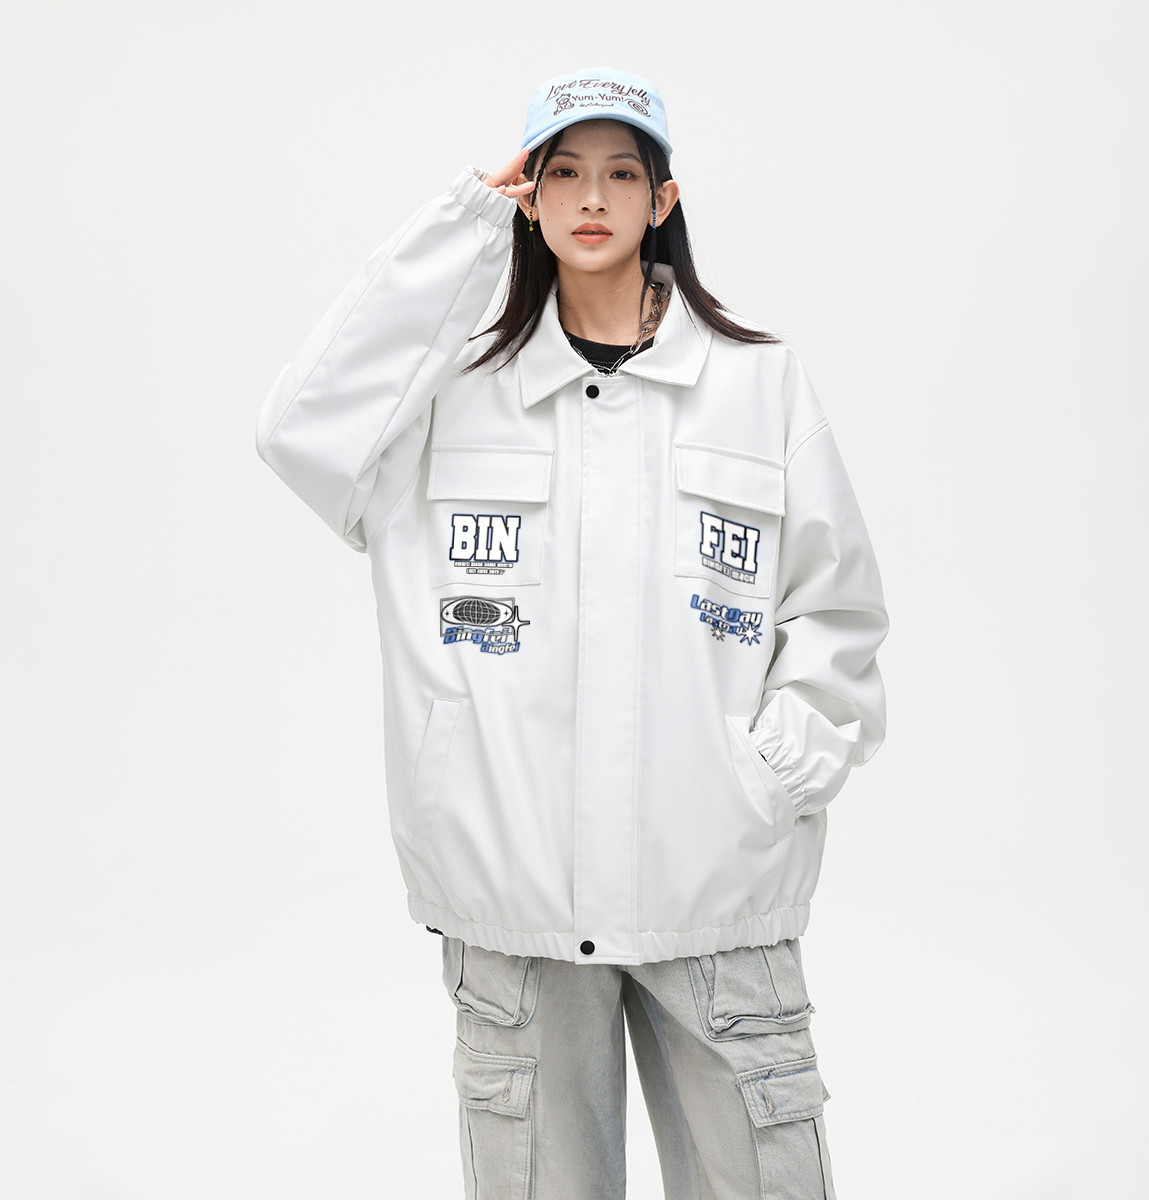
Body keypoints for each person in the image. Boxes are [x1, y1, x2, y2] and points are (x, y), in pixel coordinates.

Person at [257, 66, 887, 1200]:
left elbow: (835, 610)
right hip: (518, 917)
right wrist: (463, 227)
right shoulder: (450, 398)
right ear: (529, 197)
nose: (592, 197)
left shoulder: (759, 387)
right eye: (563, 173)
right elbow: (302, 430)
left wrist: (766, 782)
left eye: (621, 173)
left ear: (663, 199)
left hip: (718, 903)